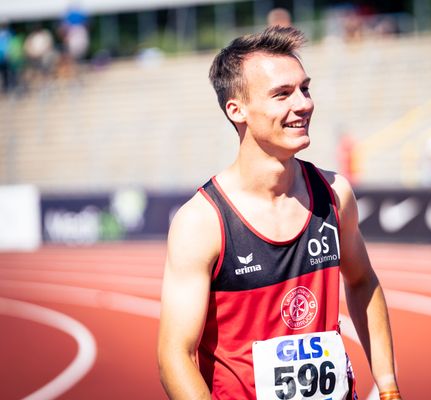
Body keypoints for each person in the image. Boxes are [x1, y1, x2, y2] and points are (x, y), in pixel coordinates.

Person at [157, 26, 401, 400]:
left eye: (305, 88)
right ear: (236, 110)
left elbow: (362, 281)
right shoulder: (202, 222)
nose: (303, 104)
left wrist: (387, 387)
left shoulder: (334, 194)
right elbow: (176, 356)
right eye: (282, 94)